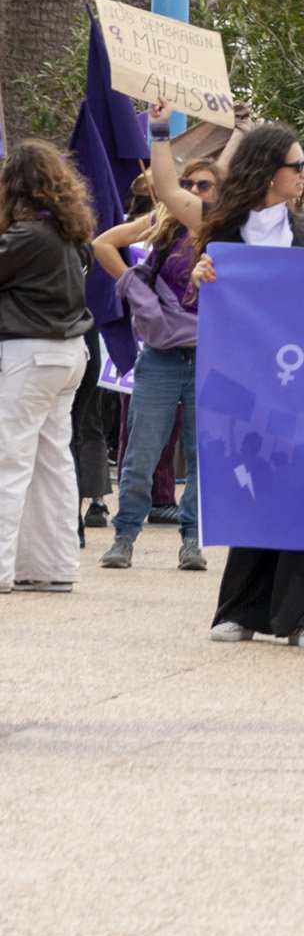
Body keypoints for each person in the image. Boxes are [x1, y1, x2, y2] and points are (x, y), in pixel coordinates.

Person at [191, 124, 304, 646]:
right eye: (297, 165)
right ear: (266, 171)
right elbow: (212, 300)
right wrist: (205, 276)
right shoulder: (223, 234)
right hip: (248, 386)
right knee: (255, 486)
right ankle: (240, 610)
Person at [91, 155, 219, 573]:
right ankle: (124, 536)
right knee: (142, 454)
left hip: (210, 359)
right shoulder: (162, 220)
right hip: (162, 358)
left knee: (204, 456)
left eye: (204, 185)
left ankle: (192, 541)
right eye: (188, 184)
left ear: (219, 191)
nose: (195, 191)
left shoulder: (227, 231)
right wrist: (138, 295)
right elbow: (102, 243)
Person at [0, 141, 97, 597]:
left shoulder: (26, 237)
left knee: (8, 461)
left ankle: (4, 568)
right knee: (52, 464)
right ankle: (53, 567)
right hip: (68, 355)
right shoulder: (70, 234)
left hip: (30, 354)